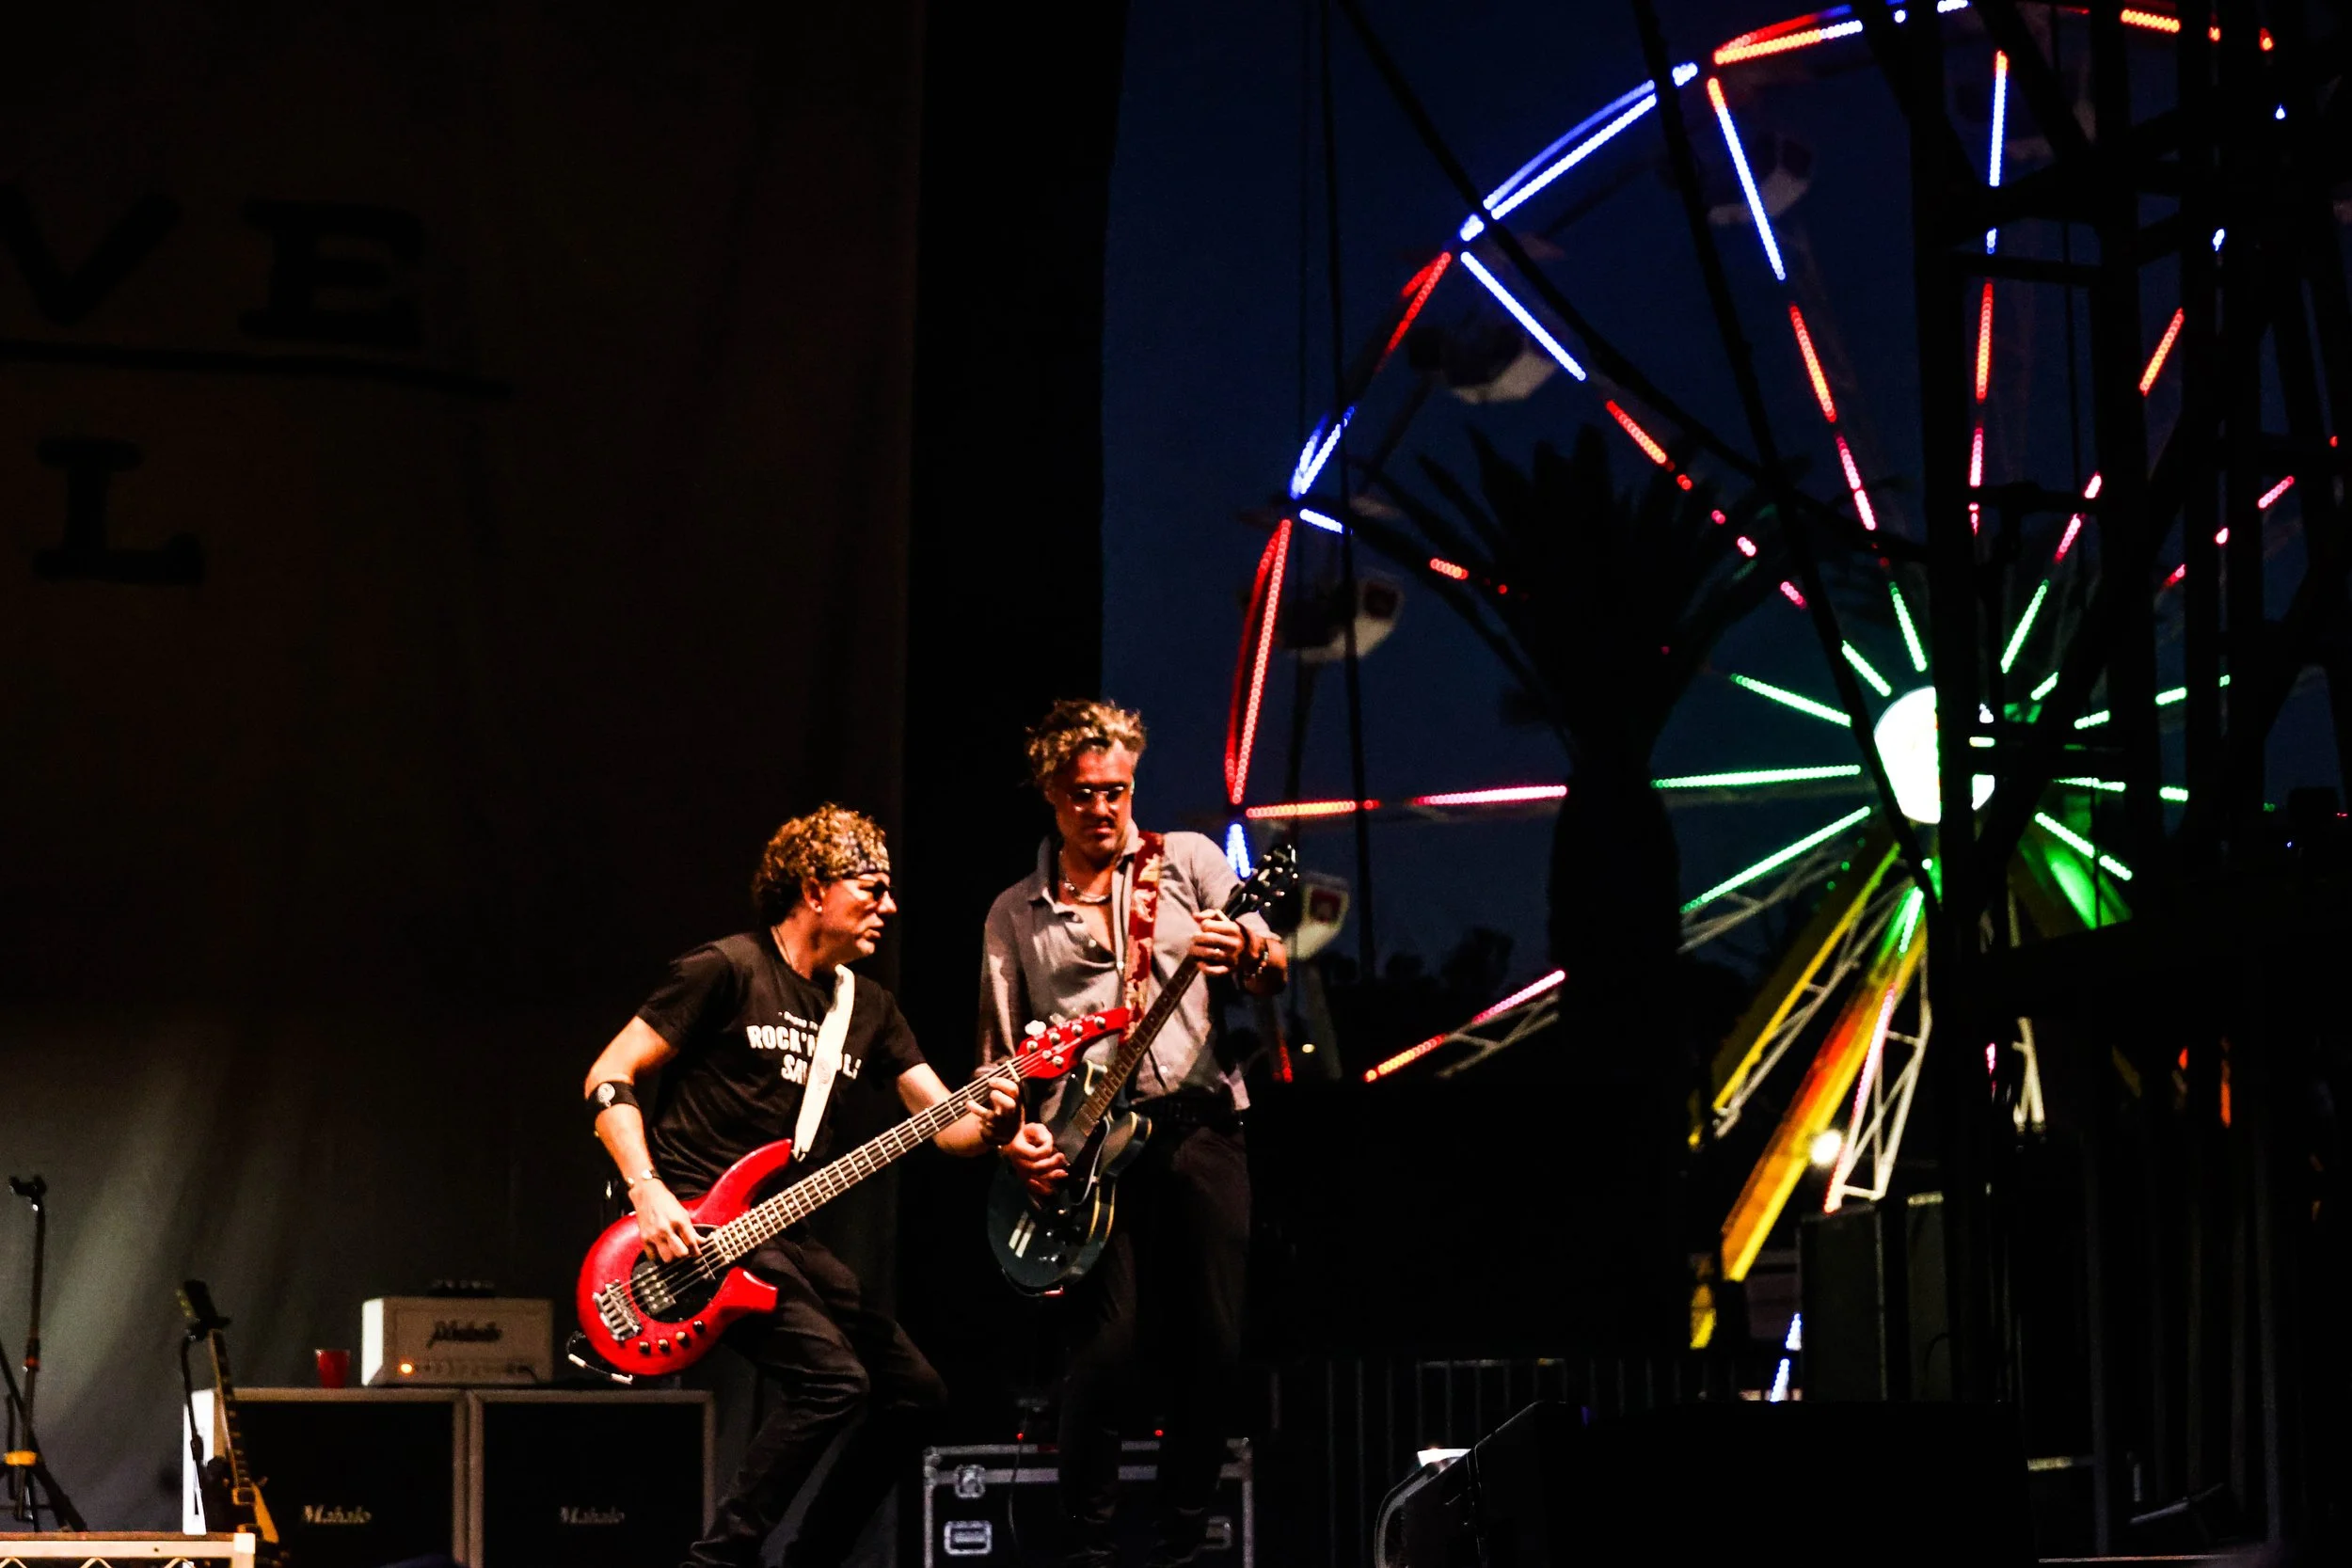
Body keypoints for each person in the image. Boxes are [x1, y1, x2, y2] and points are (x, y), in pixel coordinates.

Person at [585, 804, 1019, 1568]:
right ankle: (716, 1561)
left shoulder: (870, 1008)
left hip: (782, 1226)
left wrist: (996, 1124)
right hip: (694, 1224)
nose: (890, 906)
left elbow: (946, 1124)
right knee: (834, 1382)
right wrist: (646, 1190)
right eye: (873, 888)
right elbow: (608, 1072)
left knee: (917, 1393)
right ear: (815, 889)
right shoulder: (726, 968)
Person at [979, 701, 1287, 1568]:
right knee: (1104, 1354)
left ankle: (1183, 1541)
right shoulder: (1015, 913)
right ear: (1050, 792)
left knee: (1212, 1345)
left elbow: (1272, 963)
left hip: (1198, 1125)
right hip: (1084, 1155)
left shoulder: (1185, 861)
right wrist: (1015, 1141)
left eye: (1116, 790)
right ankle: (1089, 1547)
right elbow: (997, 1066)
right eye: (1083, 792)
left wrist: (1248, 952)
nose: (1102, 808)